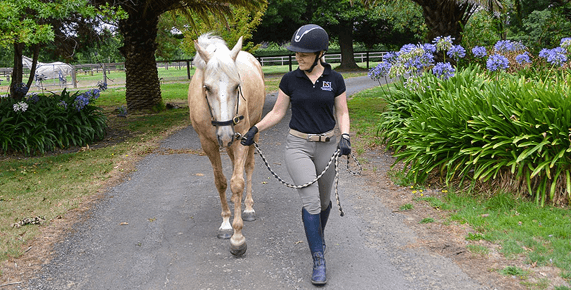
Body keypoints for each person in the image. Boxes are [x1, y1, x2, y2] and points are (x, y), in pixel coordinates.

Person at [240, 24, 351, 286]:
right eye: (296, 53)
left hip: (326, 144)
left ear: (320, 53)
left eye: (304, 53)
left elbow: (343, 112)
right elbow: (278, 113)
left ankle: (317, 237)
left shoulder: (335, 80)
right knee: (311, 202)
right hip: (298, 146)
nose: (298, 57)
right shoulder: (290, 80)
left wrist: (345, 136)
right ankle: (318, 259)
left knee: (324, 203)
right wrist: (254, 128)